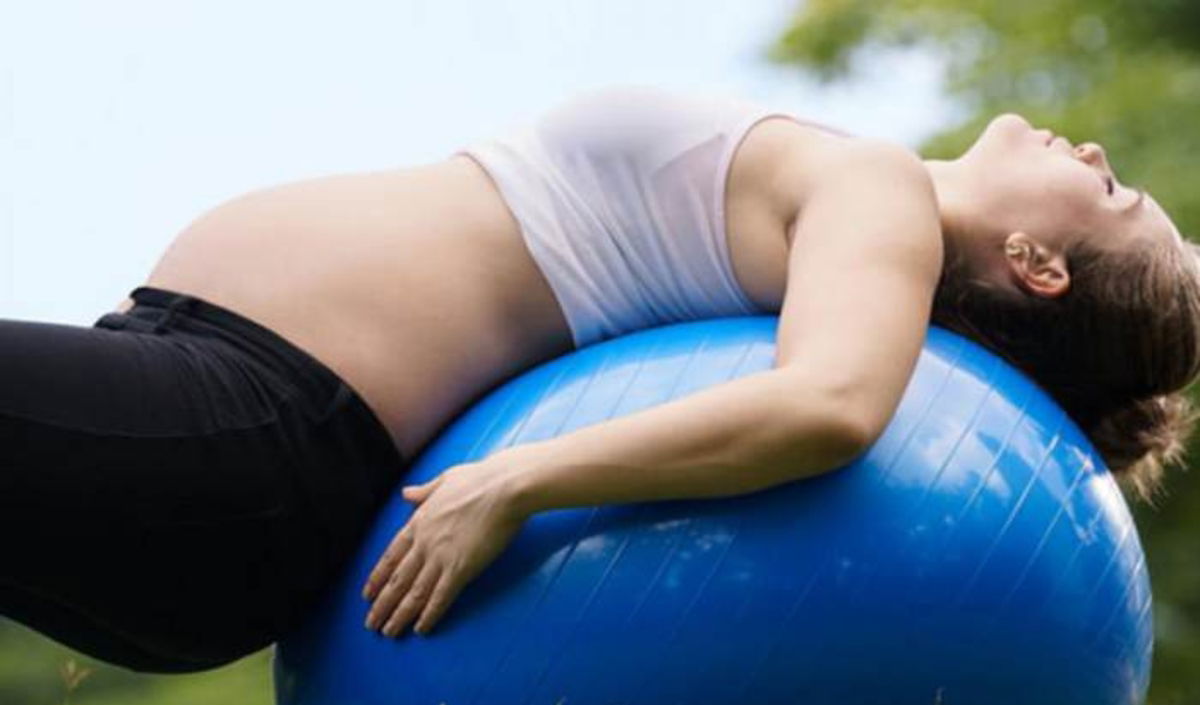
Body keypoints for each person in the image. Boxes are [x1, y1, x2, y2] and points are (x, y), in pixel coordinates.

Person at [2, 85, 1197, 674]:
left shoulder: (883, 197)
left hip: (245, 445)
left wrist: (518, 480)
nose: (1095, 155)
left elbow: (832, 402)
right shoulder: (849, 219)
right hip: (191, 418)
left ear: (1038, 265)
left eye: (1114, 196)